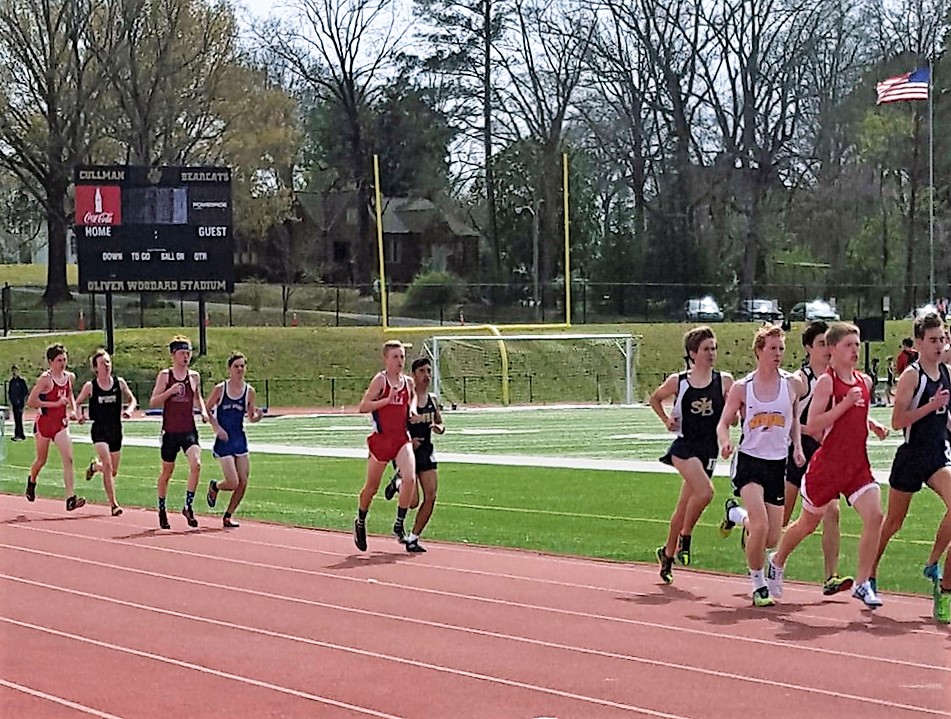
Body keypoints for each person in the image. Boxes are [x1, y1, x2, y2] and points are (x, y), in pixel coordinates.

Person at [766, 323, 888, 609]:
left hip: (857, 465)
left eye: (857, 345)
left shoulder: (864, 381)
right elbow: (813, 425)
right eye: (848, 345)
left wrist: (873, 424)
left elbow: (855, 416)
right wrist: (844, 404)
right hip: (827, 467)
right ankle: (777, 559)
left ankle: (862, 583)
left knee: (875, 516)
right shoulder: (827, 383)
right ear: (832, 349)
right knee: (807, 524)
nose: (855, 350)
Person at [716, 325, 804, 607]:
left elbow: (795, 423)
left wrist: (798, 449)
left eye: (781, 348)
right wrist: (725, 441)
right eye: (772, 348)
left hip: (777, 464)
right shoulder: (743, 388)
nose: (778, 354)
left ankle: (735, 514)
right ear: (758, 351)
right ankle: (758, 584)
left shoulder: (792, 385)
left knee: (770, 538)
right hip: (750, 462)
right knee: (761, 525)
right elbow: (724, 421)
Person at [871, 313, 951, 624]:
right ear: (918, 343)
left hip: (936, 455)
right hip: (910, 456)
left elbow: (944, 418)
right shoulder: (912, 376)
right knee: (893, 523)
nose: (939, 345)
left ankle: (937, 571)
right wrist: (930, 405)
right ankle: (870, 570)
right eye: (933, 340)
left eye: (941, 339)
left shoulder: (946, 372)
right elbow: (896, 422)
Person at [648, 326, 733, 584]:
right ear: (692, 353)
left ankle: (667, 554)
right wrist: (666, 420)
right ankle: (686, 536)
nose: (711, 353)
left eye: (714, 348)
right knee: (706, 493)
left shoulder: (724, 381)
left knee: (683, 506)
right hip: (684, 447)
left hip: (708, 449)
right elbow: (655, 398)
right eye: (706, 349)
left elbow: (732, 412)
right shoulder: (680, 381)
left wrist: (733, 424)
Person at [781, 321, 852, 596]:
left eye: (829, 343)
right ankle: (746, 525)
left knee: (832, 512)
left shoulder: (838, 378)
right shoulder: (801, 380)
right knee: (780, 521)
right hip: (799, 452)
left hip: (825, 456)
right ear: (809, 347)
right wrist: (809, 432)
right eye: (821, 344)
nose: (826, 349)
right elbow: (788, 419)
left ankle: (830, 576)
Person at [353, 339, 418, 552]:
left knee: (409, 477)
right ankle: (361, 520)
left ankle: (399, 524)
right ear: (386, 359)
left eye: (402, 357)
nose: (400, 361)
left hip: (401, 438)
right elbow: (363, 407)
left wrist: (413, 411)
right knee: (371, 488)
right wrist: (386, 401)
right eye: (395, 357)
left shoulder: (408, 382)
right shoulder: (380, 381)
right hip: (381, 440)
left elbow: (413, 400)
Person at [383, 356, 445, 553]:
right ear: (413, 375)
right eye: (422, 372)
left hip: (426, 450)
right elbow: (394, 426)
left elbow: (441, 422)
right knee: (413, 502)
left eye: (428, 371)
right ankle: (398, 483)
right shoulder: (405, 399)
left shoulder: (433, 400)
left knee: (431, 495)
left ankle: (413, 537)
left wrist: (439, 428)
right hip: (406, 451)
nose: (426, 375)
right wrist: (410, 441)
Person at [149, 336, 209, 529]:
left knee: (196, 464)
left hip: (188, 430)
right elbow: (153, 402)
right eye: (182, 353)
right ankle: (162, 508)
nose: (186, 357)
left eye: (188, 353)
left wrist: (205, 413)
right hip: (170, 432)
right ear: (173, 355)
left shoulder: (194, 376)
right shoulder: (165, 376)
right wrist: (170, 392)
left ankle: (188, 506)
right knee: (167, 472)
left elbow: (197, 398)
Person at [75, 349, 137, 516]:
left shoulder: (120, 383)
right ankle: (114, 504)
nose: (107, 365)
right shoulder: (91, 386)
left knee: (113, 470)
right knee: (108, 465)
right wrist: (79, 415)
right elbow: (78, 402)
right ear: (96, 368)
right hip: (99, 430)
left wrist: (129, 410)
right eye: (103, 363)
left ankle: (95, 467)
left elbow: (132, 399)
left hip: (116, 430)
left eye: (108, 362)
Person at [205, 352, 263, 528]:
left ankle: (228, 516)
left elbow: (250, 416)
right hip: (224, 440)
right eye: (236, 366)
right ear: (229, 369)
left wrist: (257, 417)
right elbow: (206, 410)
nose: (239, 369)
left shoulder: (249, 391)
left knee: (243, 481)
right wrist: (216, 427)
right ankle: (215, 486)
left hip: (239, 439)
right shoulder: (221, 389)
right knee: (232, 482)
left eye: (242, 366)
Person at [25, 344, 86, 511]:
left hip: (60, 424)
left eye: (65, 359)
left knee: (69, 459)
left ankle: (70, 498)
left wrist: (73, 410)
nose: (63, 363)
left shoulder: (69, 377)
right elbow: (31, 402)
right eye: (59, 360)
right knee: (41, 460)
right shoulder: (45, 379)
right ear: (51, 362)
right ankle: (32, 481)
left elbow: (70, 393)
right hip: (44, 424)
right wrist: (54, 404)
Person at [8, 365, 28, 441]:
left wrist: (21, 400)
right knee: (16, 419)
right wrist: (12, 400)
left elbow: (25, 392)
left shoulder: (21, 381)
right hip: (14, 403)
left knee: (19, 418)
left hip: (20, 403)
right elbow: (10, 392)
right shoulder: (11, 382)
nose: (14, 372)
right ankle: (18, 434)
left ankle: (20, 434)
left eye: (15, 371)